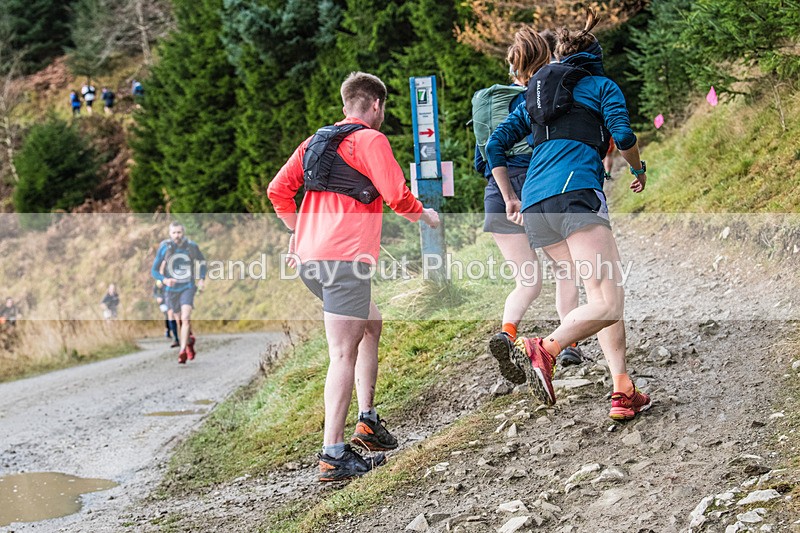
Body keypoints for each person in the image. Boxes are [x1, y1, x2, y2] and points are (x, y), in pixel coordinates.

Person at [267, 72, 440, 482]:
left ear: (346, 104)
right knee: (343, 352)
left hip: (311, 261)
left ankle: (367, 421)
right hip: (344, 261)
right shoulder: (370, 140)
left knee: (371, 324)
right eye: (383, 107)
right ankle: (333, 454)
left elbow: (277, 190)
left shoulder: (315, 142)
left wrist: (300, 232)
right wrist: (425, 215)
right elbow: (396, 195)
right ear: (376, 104)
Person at [486, 11, 651, 421]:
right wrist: (638, 168)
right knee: (608, 301)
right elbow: (624, 136)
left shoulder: (536, 94)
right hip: (575, 195)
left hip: (535, 206)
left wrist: (509, 196)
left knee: (601, 297)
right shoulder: (601, 86)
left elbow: (494, 146)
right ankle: (545, 349)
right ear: (596, 57)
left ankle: (623, 388)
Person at [472, 28, 584, 384]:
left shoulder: (487, 105)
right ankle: (569, 344)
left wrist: (506, 194)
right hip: (537, 190)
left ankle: (507, 334)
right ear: (547, 58)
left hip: (498, 195)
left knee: (528, 281)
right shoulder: (543, 98)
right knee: (566, 269)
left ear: (514, 65)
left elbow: (482, 159)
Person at [151, 222, 206, 364]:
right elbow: (154, 270)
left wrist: (201, 279)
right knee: (179, 321)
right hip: (171, 290)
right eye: (174, 233)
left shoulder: (191, 247)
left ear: (183, 233)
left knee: (186, 318)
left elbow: (202, 262)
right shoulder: (164, 248)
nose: (177, 235)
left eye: (179, 232)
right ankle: (189, 342)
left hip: (188, 286)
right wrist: (164, 280)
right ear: (170, 234)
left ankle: (182, 351)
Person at [153, 279, 179, 345]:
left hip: (169, 300)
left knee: (172, 316)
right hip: (163, 303)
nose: (160, 285)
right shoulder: (156, 284)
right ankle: (168, 330)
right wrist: (157, 297)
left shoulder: (167, 282)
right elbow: (154, 293)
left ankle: (172, 331)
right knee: (167, 315)